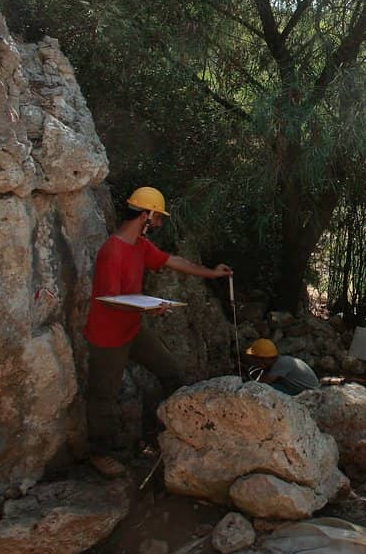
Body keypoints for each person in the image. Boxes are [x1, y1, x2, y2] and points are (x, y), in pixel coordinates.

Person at [84, 187, 232, 477]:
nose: (160, 224)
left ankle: (179, 427)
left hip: (132, 329)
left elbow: (172, 261)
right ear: (146, 215)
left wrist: (212, 273)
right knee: (104, 394)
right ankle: (100, 454)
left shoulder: (140, 245)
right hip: (106, 335)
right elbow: (109, 301)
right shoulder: (112, 250)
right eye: (158, 218)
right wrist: (147, 309)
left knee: (171, 371)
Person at [245, 338, 320, 395]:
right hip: (299, 389)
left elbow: (261, 384)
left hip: (309, 393)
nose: (254, 362)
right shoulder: (277, 361)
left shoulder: (281, 363)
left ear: (264, 359)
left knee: (267, 390)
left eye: (256, 359)